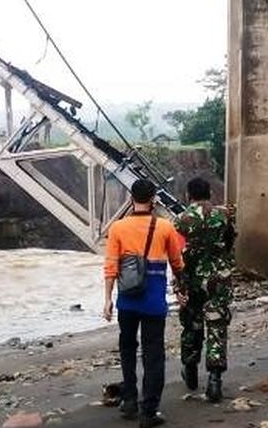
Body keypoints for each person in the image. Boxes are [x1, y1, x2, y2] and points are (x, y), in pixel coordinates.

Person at [103, 178, 185, 428]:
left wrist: (107, 300)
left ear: (131, 199)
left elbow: (111, 266)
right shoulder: (165, 227)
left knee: (127, 349)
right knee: (153, 355)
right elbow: (177, 263)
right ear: (154, 201)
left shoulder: (117, 228)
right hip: (153, 303)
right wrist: (180, 290)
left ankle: (129, 401)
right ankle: (148, 412)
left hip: (127, 301)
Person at [175, 177, 236, 403]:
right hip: (218, 278)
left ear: (188, 195)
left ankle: (190, 371)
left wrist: (178, 285)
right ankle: (214, 380)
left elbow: (176, 255)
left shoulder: (180, 220)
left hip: (191, 280)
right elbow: (229, 243)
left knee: (192, 324)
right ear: (209, 193)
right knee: (217, 325)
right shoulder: (224, 216)